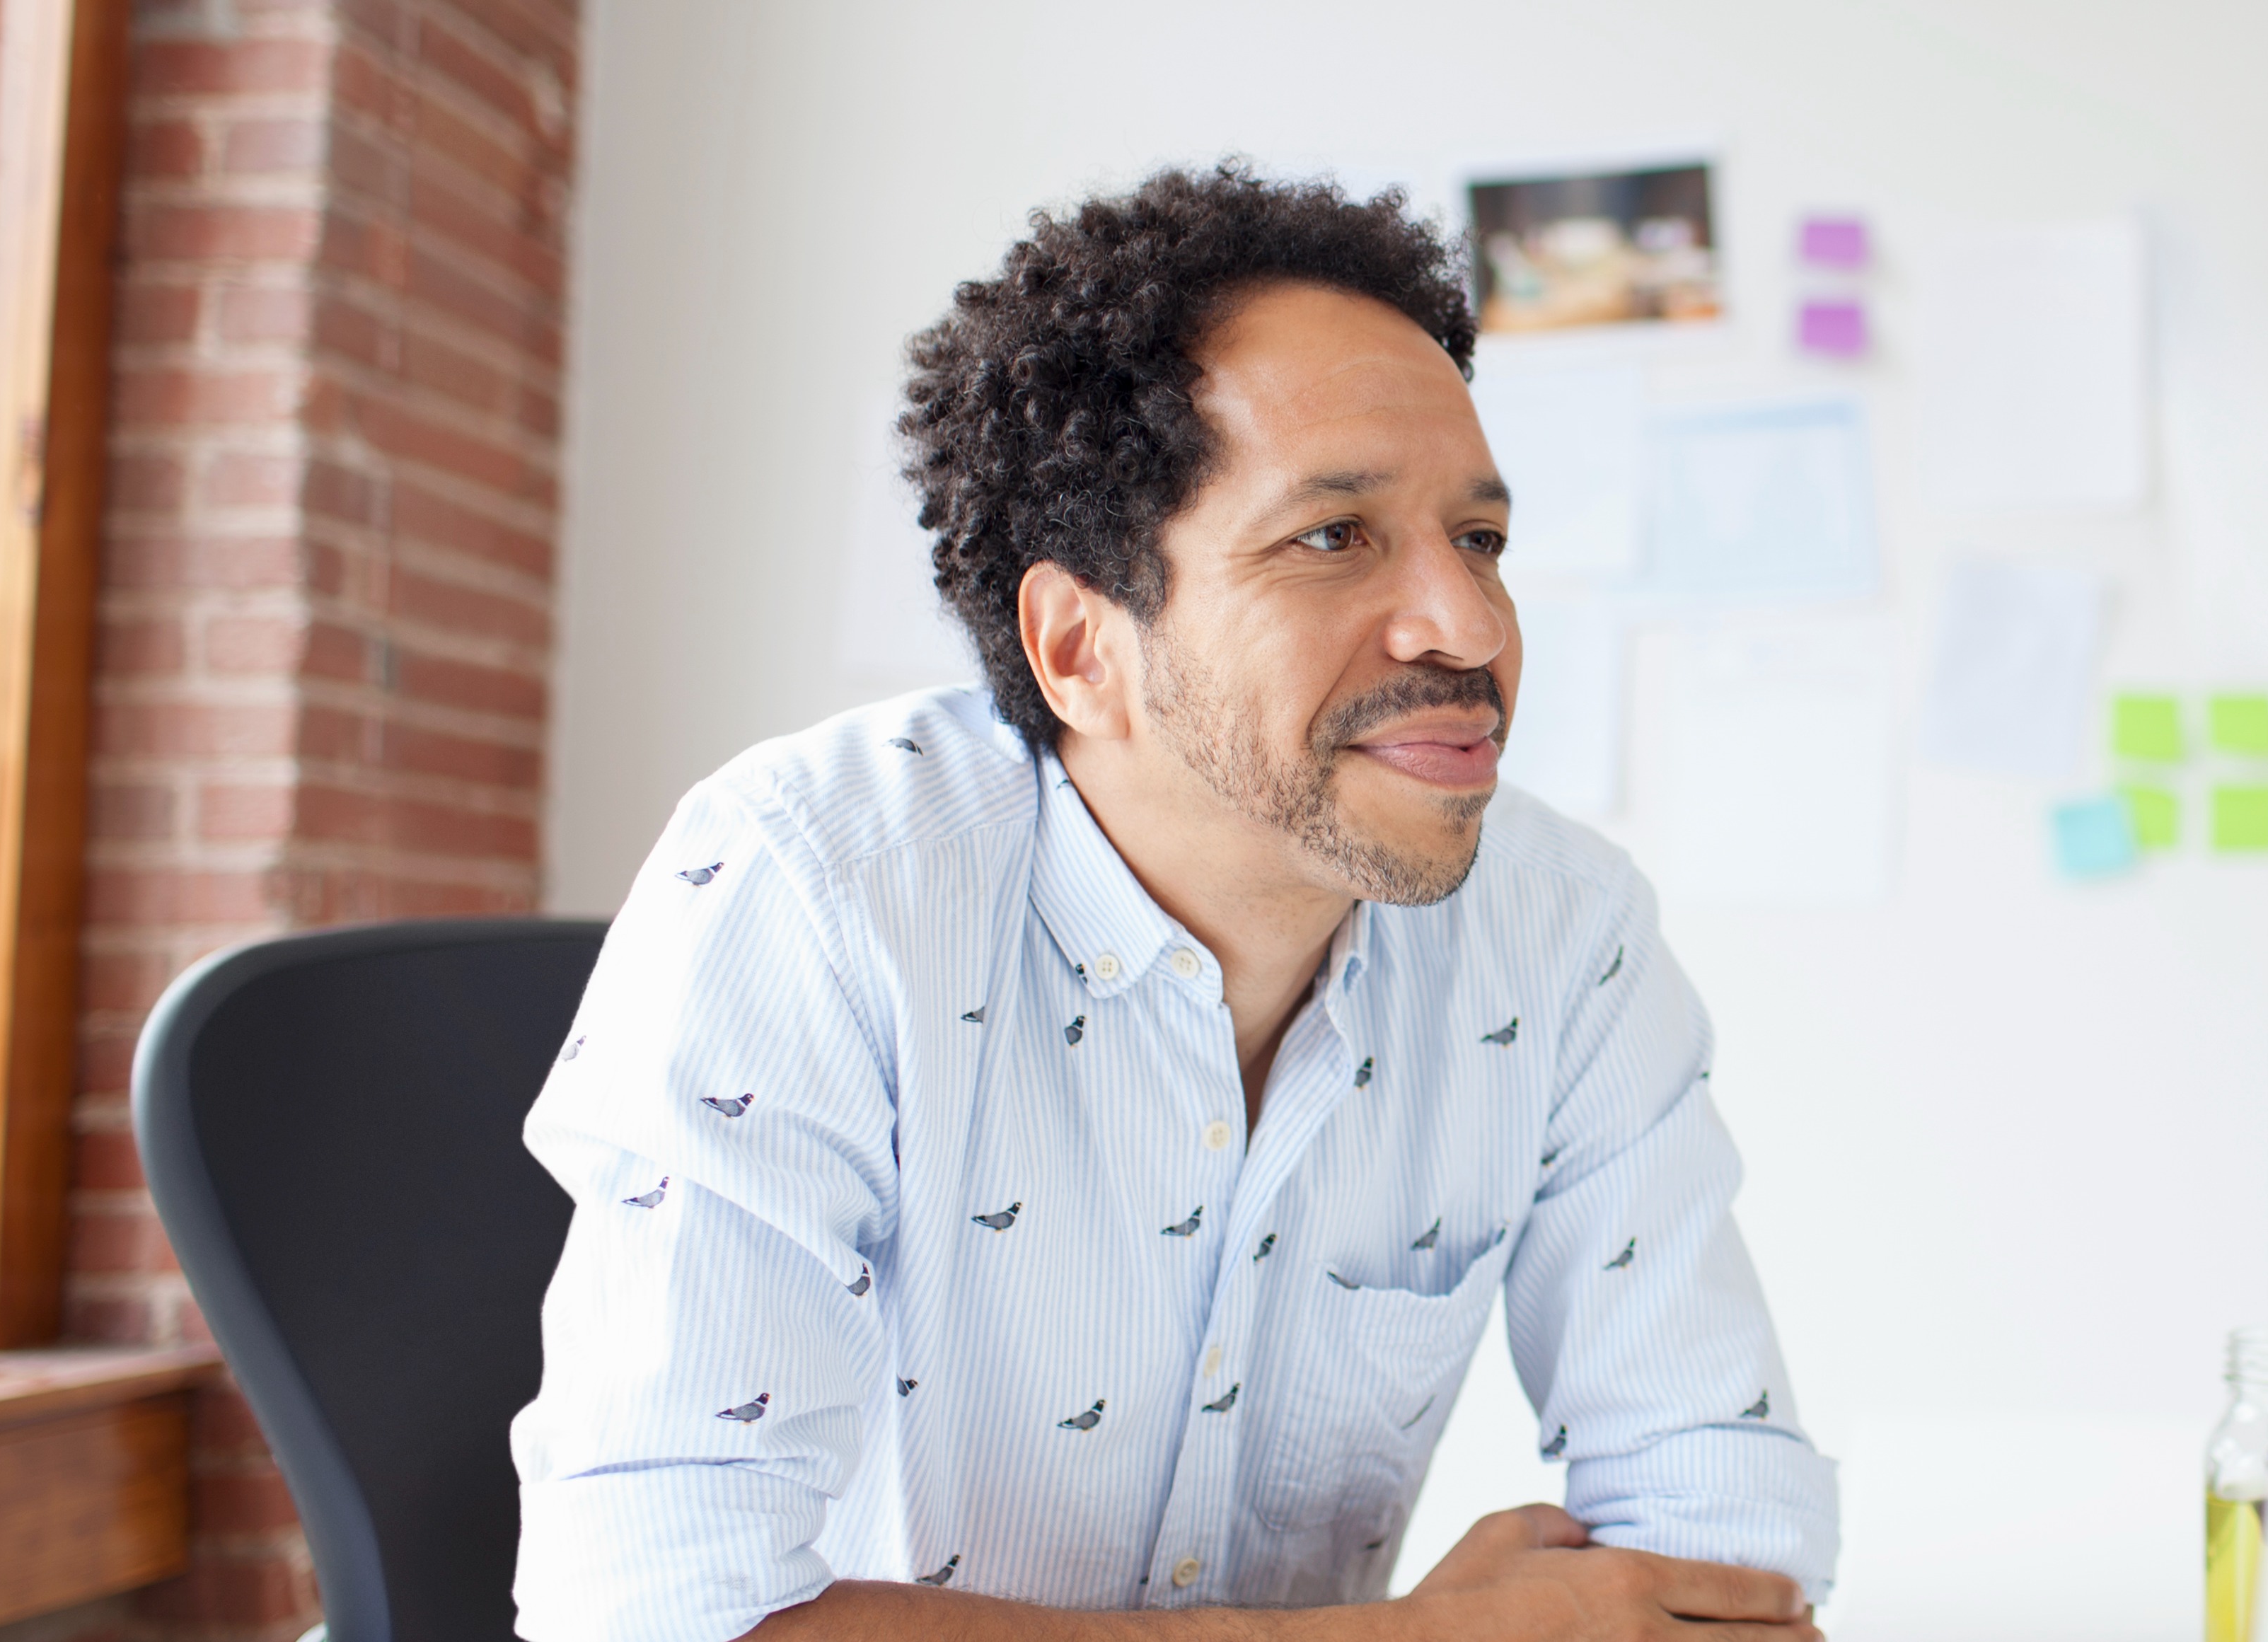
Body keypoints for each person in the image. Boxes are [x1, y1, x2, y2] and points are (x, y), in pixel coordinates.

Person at [506, 166, 1838, 1641]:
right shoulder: (817, 883)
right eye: (1333, 536)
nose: (1471, 626)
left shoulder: (1560, 935)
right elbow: (644, 1620)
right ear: (1081, 647)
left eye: (1480, 538)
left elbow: (1726, 1545)